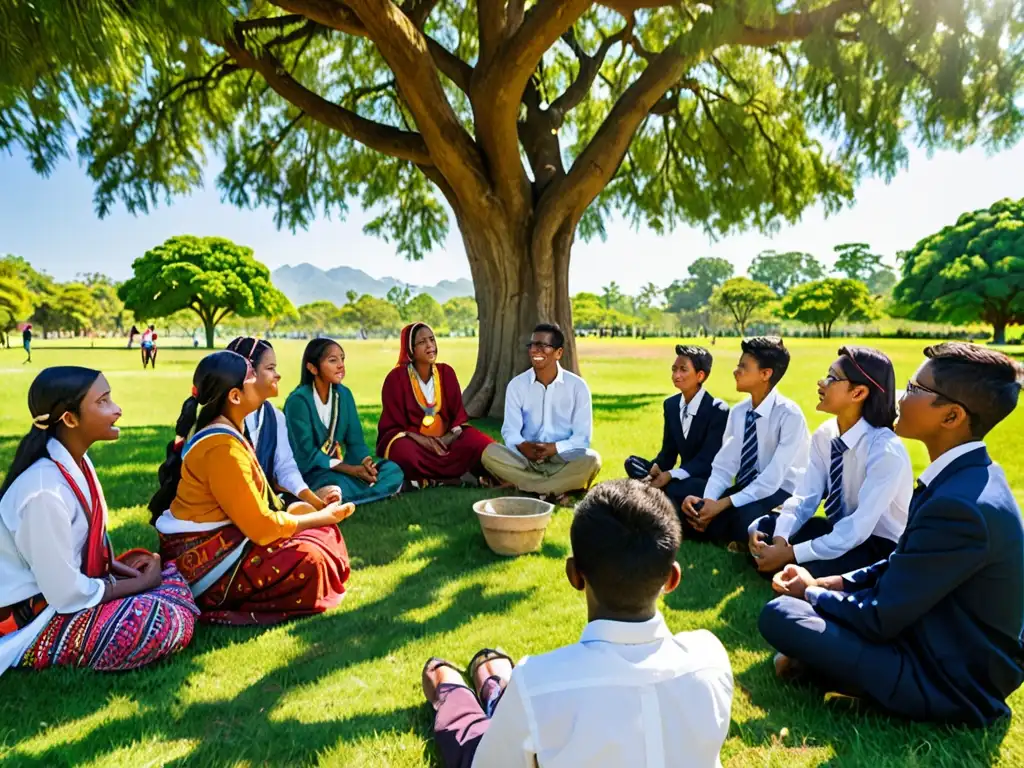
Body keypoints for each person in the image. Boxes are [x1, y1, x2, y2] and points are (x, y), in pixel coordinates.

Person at [760, 343, 1024, 727]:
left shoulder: (960, 505)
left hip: (948, 679)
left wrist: (809, 592)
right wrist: (829, 582)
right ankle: (834, 670)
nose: (900, 396)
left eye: (916, 389)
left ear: (951, 415)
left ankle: (862, 687)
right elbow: (902, 560)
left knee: (781, 614)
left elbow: (881, 617)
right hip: (934, 637)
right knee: (800, 610)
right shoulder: (965, 477)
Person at [421, 479, 733, 767]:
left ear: (574, 575)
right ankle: (495, 688)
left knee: (474, 739)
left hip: (527, 703)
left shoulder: (538, 680)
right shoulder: (710, 659)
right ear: (673, 579)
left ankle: (455, 692)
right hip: (530, 699)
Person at [0, 367, 198, 676]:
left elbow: (87, 554)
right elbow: (65, 593)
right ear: (69, 419)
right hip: (35, 619)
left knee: (170, 575)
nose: (117, 410)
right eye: (103, 401)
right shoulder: (43, 491)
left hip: (67, 593)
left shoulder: (76, 463)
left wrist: (129, 574)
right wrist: (141, 584)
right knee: (158, 621)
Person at [150, 351, 355, 625]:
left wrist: (308, 508)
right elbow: (262, 528)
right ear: (235, 396)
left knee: (321, 536)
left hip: (233, 540)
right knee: (312, 558)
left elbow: (259, 507)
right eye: (254, 374)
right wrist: (324, 516)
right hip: (209, 567)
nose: (273, 375)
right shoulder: (222, 448)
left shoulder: (231, 434)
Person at [747, 346, 912, 578]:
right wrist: (781, 540)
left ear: (858, 393)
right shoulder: (826, 434)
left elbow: (857, 528)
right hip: (838, 529)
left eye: (832, 378)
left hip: (877, 545)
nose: (821, 383)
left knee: (801, 572)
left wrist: (790, 554)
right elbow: (806, 495)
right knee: (763, 530)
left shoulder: (885, 451)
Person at [681, 336, 809, 545]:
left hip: (781, 492)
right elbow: (724, 466)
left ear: (765, 374)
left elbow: (771, 481)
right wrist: (709, 502)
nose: (735, 371)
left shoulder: (790, 416)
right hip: (746, 487)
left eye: (743, 366)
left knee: (743, 522)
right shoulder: (739, 412)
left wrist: (721, 505)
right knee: (691, 507)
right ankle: (714, 527)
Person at [481, 323, 602, 501]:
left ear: (558, 353)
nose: (535, 350)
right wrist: (523, 446)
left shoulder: (577, 387)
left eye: (542, 346)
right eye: (532, 345)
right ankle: (555, 489)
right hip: (525, 460)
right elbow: (510, 431)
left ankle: (530, 488)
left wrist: (553, 448)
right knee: (489, 453)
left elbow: (582, 438)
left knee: (592, 460)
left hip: (562, 460)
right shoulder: (517, 385)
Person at [226, 337, 344, 511]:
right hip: (228, 504)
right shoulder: (224, 417)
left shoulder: (275, 416)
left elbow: (285, 468)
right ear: (248, 373)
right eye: (270, 368)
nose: (277, 375)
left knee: (331, 495)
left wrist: (314, 501)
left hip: (262, 501)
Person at [286, 338, 404, 505]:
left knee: (392, 470)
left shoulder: (344, 395)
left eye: (342, 359)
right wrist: (351, 470)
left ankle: (340, 499)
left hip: (342, 470)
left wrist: (366, 464)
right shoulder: (298, 401)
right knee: (337, 484)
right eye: (333, 360)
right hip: (312, 473)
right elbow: (307, 454)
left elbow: (356, 442)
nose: (341, 365)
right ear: (312, 368)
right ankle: (371, 494)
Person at [377, 323, 494, 489]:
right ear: (410, 349)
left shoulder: (446, 372)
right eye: (422, 342)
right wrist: (423, 440)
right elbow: (394, 426)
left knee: (476, 440)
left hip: (448, 442)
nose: (430, 345)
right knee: (401, 450)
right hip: (417, 445)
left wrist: (448, 438)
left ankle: (425, 480)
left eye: (432, 339)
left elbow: (458, 417)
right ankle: (452, 478)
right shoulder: (396, 378)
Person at [624, 344, 729, 514]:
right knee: (632, 464)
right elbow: (668, 452)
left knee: (674, 488)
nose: (676, 375)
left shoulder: (717, 409)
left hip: (704, 481)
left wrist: (671, 475)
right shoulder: (671, 405)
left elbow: (706, 460)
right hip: (678, 477)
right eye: (674, 369)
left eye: (683, 370)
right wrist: (657, 467)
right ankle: (652, 493)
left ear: (700, 375)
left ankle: (649, 497)